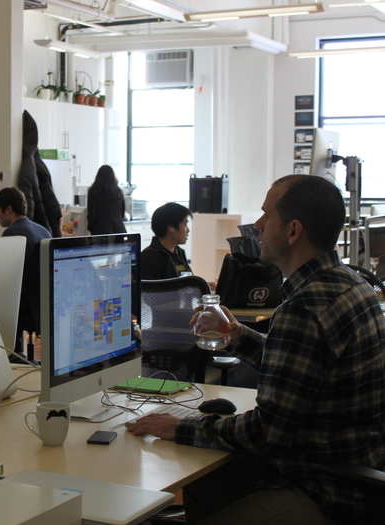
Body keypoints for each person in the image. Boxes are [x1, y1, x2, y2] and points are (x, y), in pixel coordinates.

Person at [127, 175, 385, 524]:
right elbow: (303, 372)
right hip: (353, 467)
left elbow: (266, 432)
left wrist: (181, 426)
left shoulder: (305, 308)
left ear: (293, 230)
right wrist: (237, 335)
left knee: (202, 475)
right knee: (210, 478)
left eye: (266, 215)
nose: (257, 225)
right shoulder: (349, 286)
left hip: (322, 489)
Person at [0, 187, 51, 355]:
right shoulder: (42, 230)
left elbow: (4, 276)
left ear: (8, 210)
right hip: (43, 308)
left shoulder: (12, 234)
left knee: (22, 358)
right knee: (36, 356)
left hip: (25, 311)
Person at [139, 202, 192, 280]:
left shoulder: (179, 252)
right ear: (171, 227)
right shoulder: (148, 258)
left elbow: (188, 280)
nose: (188, 230)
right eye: (185, 224)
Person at [86, 165, 126, 235]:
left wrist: (91, 227)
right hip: (118, 229)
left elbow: (91, 213)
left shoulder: (93, 191)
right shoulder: (118, 191)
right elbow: (122, 212)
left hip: (99, 230)